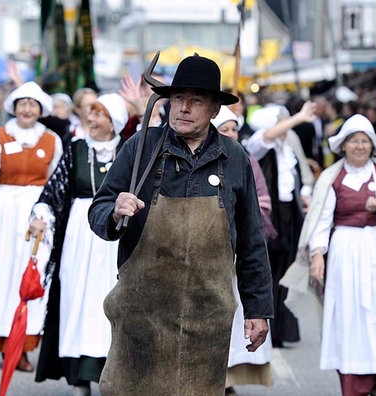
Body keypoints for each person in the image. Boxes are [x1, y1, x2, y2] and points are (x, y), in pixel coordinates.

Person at [87, 54, 273, 395]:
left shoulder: (234, 158)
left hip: (206, 319)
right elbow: (98, 210)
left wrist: (258, 309)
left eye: (196, 101)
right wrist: (114, 211)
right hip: (142, 314)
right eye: (177, 99)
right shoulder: (139, 148)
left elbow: (251, 241)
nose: (184, 108)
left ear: (215, 109)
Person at [295, 114, 376, 396]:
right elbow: (321, 219)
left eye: (364, 141)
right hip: (345, 252)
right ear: (343, 145)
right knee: (348, 316)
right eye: (354, 141)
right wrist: (318, 254)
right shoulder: (333, 177)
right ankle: (354, 383)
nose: (359, 146)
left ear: (373, 145)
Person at [30, 93, 129, 396]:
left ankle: (109, 373)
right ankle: (78, 378)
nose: (92, 120)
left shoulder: (127, 151)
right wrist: (41, 215)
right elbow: (53, 191)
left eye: (99, 115)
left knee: (108, 301)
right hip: (78, 236)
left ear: (114, 122)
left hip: (113, 237)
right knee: (77, 300)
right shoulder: (76, 149)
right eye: (90, 113)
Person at [0, 81, 63, 372]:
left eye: (33, 105)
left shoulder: (51, 140)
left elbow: (58, 179)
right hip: (6, 209)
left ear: (41, 109)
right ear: (14, 107)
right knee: (5, 270)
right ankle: (6, 339)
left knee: (34, 273)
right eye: (22, 104)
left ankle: (26, 342)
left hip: (39, 211)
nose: (27, 109)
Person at [211, 105, 275, 393]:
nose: (230, 134)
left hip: (235, 257)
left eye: (234, 129)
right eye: (224, 129)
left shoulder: (244, 160)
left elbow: (259, 204)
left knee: (234, 318)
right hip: (207, 258)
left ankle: (229, 380)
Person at [245, 102, 316, 348]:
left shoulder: (287, 148)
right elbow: (267, 135)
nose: (284, 128)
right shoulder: (257, 144)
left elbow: (296, 178)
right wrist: (299, 117)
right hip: (271, 217)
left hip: (290, 215)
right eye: (280, 122)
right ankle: (268, 327)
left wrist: (304, 195)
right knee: (270, 272)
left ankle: (282, 329)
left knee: (286, 271)